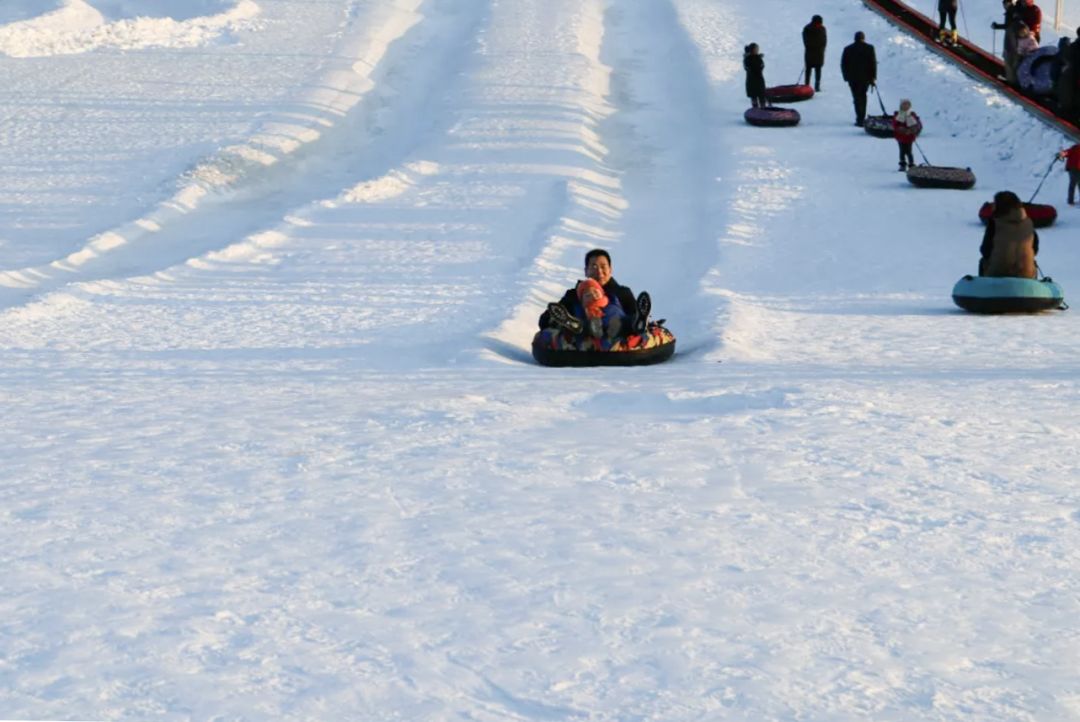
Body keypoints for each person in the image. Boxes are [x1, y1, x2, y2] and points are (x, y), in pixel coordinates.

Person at [539, 248, 651, 337]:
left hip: (618, 331)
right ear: (586, 271)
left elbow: (632, 311)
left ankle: (636, 324)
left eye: (603, 267)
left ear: (610, 269)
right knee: (578, 325)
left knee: (630, 320)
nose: (599, 271)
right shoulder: (574, 295)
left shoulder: (622, 293)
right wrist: (556, 322)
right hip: (585, 335)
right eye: (593, 267)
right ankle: (576, 325)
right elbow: (545, 319)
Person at [979, 191, 1039, 278]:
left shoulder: (994, 223)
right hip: (1026, 275)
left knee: (983, 262)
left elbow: (985, 250)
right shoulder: (1029, 223)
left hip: (997, 274)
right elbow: (1035, 249)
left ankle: (984, 288)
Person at [841, 32, 877, 126]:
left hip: (853, 78)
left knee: (856, 97)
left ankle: (859, 118)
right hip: (866, 78)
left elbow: (843, 64)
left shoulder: (848, 49)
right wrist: (873, 78)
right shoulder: (870, 48)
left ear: (855, 38)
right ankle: (862, 117)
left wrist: (846, 77)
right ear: (863, 38)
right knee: (863, 96)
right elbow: (872, 64)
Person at [892, 99, 922, 171]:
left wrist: (913, 130)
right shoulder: (898, 115)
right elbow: (895, 125)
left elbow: (917, 125)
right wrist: (902, 130)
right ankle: (903, 164)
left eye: (907, 105)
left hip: (909, 137)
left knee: (909, 151)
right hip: (901, 136)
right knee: (902, 151)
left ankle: (911, 164)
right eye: (904, 105)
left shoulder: (912, 115)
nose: (905, 106)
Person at [802, 15, 827, 92]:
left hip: (819, 53)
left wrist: (822, 48)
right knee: (808, 70)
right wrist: (816, 46)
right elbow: (806, 42)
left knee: (818, 70)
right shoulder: (807, 29)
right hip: (810, 53)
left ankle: (817, 86)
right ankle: (807, 85)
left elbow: (824, 40)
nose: (820, 24)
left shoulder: (822, 29)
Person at [744, 43, 768, 108]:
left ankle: (762, 109)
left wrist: (758, 57)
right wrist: (758, 58)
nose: (757, 50)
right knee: (755, 97)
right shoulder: (748, 59)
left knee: (761, 97)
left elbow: (760, 66)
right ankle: (757, 110)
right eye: (756, 49)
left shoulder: (750, 58)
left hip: (757, 81)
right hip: (753, 81)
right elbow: (756, 67)